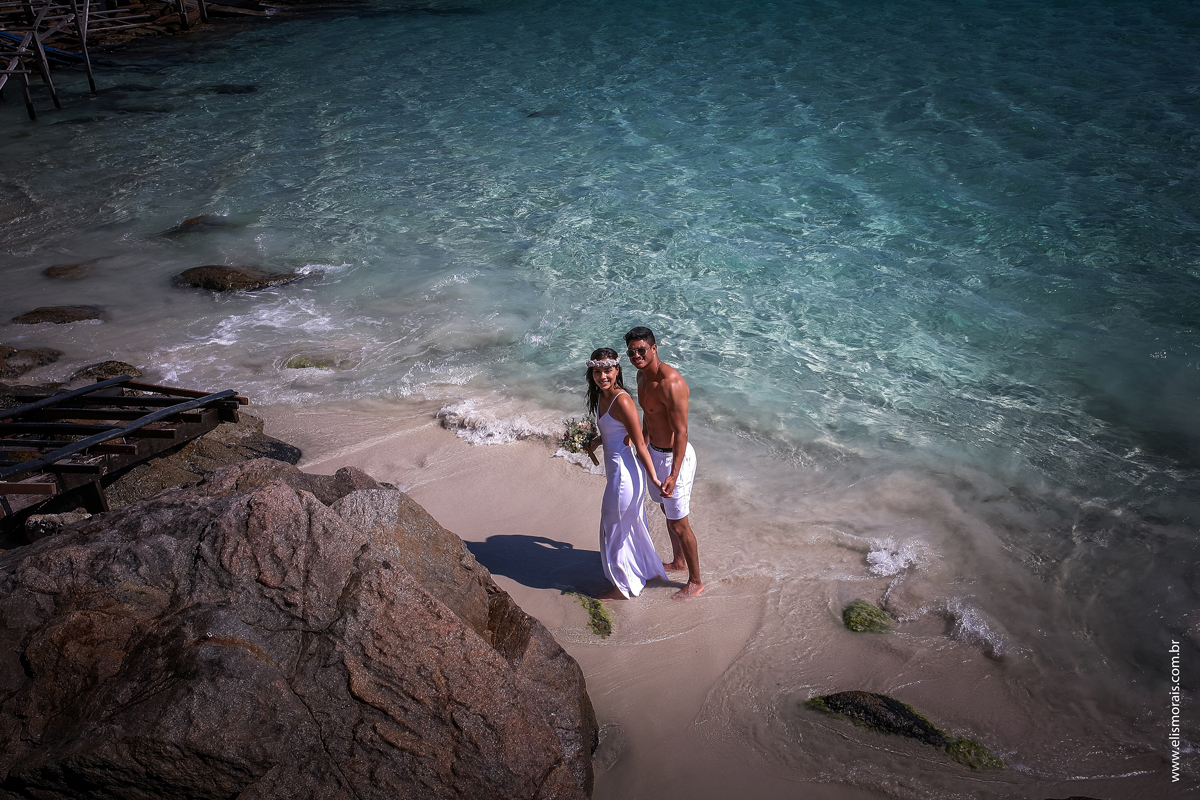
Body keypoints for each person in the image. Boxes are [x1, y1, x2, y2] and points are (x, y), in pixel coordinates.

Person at [582, 347, 669, 601]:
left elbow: (640, 443)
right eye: (597, 372)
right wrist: (596, 441)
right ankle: (640, 570)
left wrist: (653, 478)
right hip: (616, 475)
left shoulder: (622, 400)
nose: (602, 376)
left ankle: (622, 587)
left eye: (607, 370)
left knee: (615, 528)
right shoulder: (601, 396)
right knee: (625, 526)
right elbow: (615, 433)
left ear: (617, 370)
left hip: (625, 478)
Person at [624, 327, 704, 599]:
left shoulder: (672, 383)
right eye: (631, 352)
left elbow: (681, 432)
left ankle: (696, 581)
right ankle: (679, 562)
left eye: (641, 350)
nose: (636, 356)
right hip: (654, 453)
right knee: (666, 511)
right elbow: (648, 415)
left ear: (654, 348)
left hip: (674, 458)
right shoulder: (641, 377)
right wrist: (642, 443)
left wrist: (674, 472)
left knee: (680, 522)